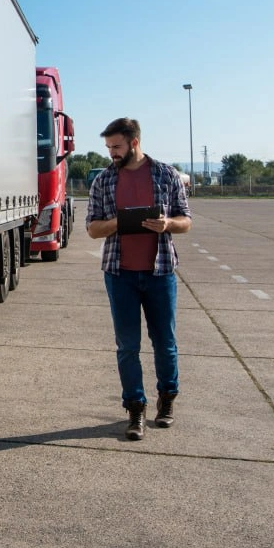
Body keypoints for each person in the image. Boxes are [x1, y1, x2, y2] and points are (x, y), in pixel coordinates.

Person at [86, 117, 192, 440]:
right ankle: (135, 409)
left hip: (160, 273)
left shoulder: (165, 174)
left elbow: (186, 220)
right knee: (127, 346)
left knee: (165, 343)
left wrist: (168, 225)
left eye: (116, 147)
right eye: (108, 148)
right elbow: (92, 229)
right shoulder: (103, 181)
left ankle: (167, 398)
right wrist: (118, 222)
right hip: (120, 276)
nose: (111, 154)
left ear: (134, 142)